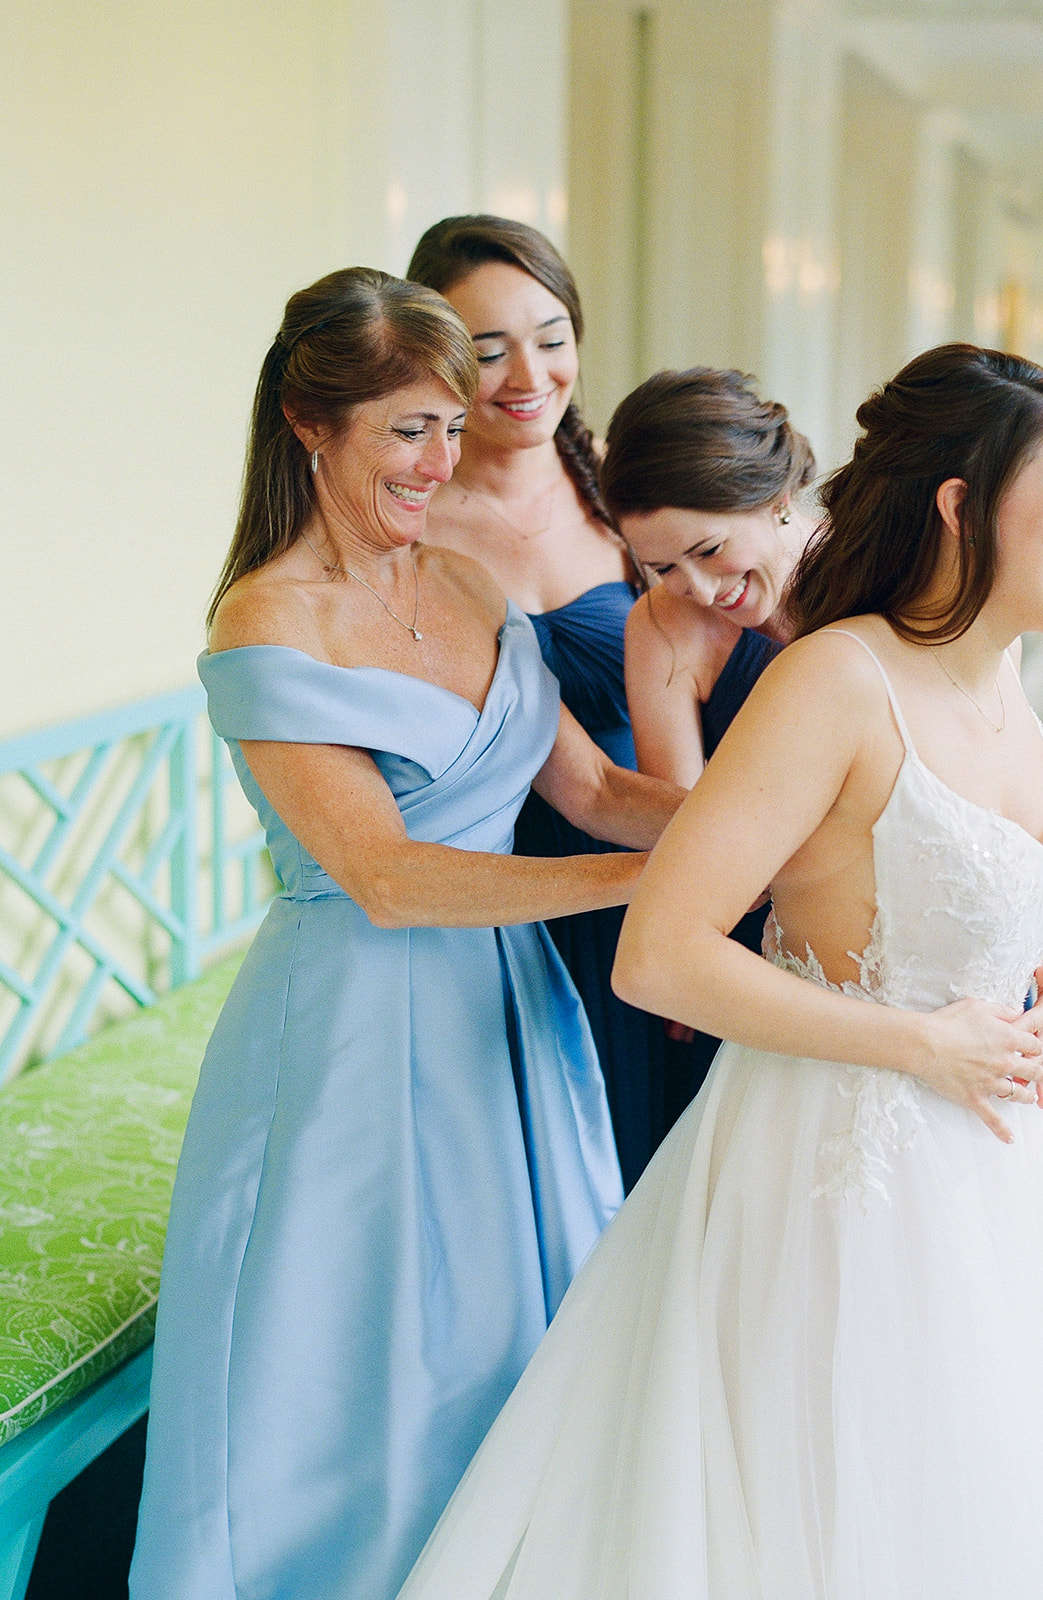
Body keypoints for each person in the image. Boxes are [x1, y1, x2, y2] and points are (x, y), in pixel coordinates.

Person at [397, 346, 1043, 1600]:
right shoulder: (831, 678)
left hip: (989, 1176)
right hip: (835, 1178)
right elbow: (660, 953)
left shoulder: (997, 668)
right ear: (962, 504)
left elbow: (955, 883)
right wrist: (921, 1042)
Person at [128, 267, 682, 1600]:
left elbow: (596, 791)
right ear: (307, 425)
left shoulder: (468, 583)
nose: (440, 462)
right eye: (406, 430)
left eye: (450, 426)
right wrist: (649, 888)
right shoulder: (268, 619)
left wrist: (783, 826)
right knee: (363, 1371)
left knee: (515, 1337)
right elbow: (386, 877)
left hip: (509, 1019)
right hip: (356, 1038)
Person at [408, 215, 672, 1189]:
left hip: (654, 833)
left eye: (551, 339)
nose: (528, 376)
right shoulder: (409, 521)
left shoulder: (623, 483)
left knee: (660, 1153)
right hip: (500, 886)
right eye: (488, 351)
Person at [600, 367, 816, 1103]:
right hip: (744, 932)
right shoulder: (662, 626)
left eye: (710, 549)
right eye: (662, 566)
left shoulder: (882, 578)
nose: (697, 588)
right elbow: (687, 826)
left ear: (776, 499)